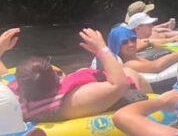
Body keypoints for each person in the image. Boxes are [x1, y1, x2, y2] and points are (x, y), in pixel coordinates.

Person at [13, 29, 148, 122]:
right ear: (55, 79)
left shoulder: (20, 99)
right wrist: (102, 49)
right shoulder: (74, 99)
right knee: (130, 73)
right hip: (124, 95)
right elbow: (121, 85)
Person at [107, 25, 178, 75]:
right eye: (124, 42)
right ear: (116, 46)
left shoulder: (134, 57)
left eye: (133, 39)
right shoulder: (128, 64)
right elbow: (156, 66)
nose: (131, 44)